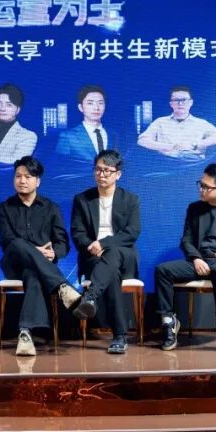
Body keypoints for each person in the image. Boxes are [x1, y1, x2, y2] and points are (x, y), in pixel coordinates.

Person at [153, 163, 216, 352]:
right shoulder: (194, 209)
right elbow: (186, 240)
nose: (200, 189)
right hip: (201, 261)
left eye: (206, 187)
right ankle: (168, 322)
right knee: (162, 270)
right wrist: (196, 258)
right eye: (200, 184)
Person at [0, 156, 94, 356]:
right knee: (17, 243)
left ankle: (25, 333)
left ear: (38, 181)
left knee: (33, 275)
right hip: (13, 264)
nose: (22, 181)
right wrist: (36, 251)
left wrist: (53, 252)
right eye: (18, 176)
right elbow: (7, 241)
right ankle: (63, 287)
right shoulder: (5, 208)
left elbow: (62, 243)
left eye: (28, 177)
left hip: (40, 268)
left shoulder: (51, 208)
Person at [70, 149, 141, 354]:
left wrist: (104, 244)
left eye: (107, 171)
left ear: (118, 174)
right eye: (98, 170)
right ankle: (119, 335)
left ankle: (91, 296)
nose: (101, 174)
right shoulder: (82, 199)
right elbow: (77, 233)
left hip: (124, 256)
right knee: (111, 273)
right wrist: (93, 247)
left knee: (113, 253)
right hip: (93, 257)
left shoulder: (130, 199)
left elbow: (132, 232)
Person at [137, 86, 216, 159]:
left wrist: (194, 145)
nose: (180, 103)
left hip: (195, 163)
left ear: (191, 102)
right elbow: (142, 140)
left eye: (184, 100)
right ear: (171, 104)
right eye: (176, 100)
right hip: (165, 162)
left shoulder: (201, 123)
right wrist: (168, 147)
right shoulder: (160, 122)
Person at [55, 85, 113, 162]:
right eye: (90, 103)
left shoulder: (114, 134)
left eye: (100, 103)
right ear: (80, 107)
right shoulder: (68, 136)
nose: (96, 108)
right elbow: (60, 165)